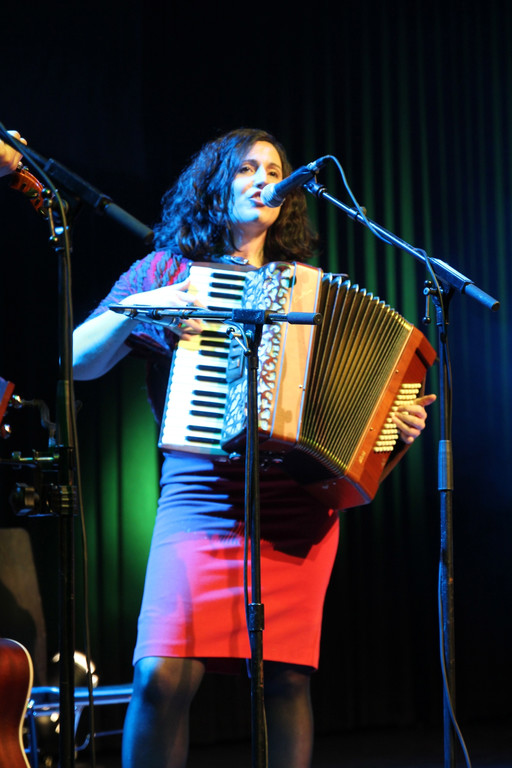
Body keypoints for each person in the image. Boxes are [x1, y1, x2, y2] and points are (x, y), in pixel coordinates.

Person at [6, 128, 436, 768]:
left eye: (274, 170)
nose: (264, 179)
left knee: (286, 679)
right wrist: (142, 307)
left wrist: (390, 424)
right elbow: (76, 359)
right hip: (198, 495)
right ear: (215, 184)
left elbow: (352, 403)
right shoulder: (166, 270)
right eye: (246, 168)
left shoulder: (308, 288)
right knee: (161, 676)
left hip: (294, 504)